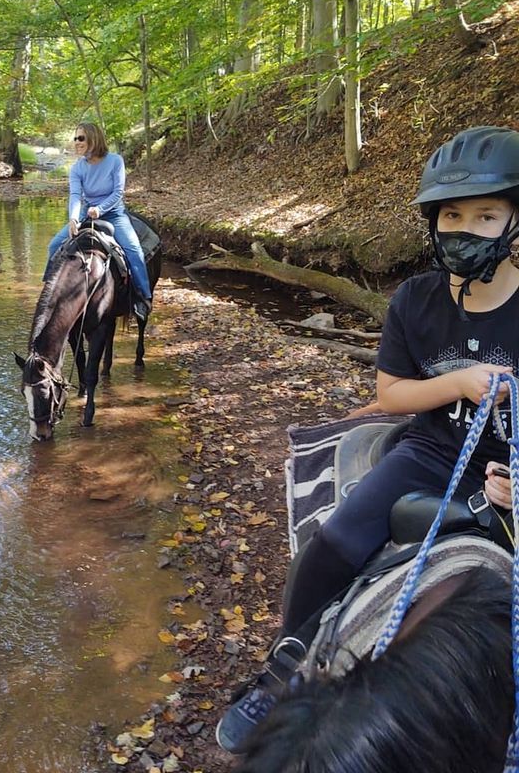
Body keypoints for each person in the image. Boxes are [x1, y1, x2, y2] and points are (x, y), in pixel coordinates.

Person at [216, 125, 519, 754]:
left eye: (485, 216)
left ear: (514, 222)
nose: (464, 230)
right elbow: (392, 394)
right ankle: (284, 665)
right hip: (431, 453)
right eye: (452, 215)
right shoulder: (416, 299)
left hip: (510, 473)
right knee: (334, 542)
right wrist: (461, 383)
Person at [43, 122, 153, 320]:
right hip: (86, 213)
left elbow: (118, 192)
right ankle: (49, 295)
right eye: (75, 138)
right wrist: (74, 218)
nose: (77, 142)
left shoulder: (115, 161)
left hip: (113, 213)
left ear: (94, 138)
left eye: (81, 138)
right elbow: (75, 195)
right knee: (54, 245)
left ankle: (142, 298)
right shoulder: (77, 168)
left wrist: (100, 209)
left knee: (134, 249)